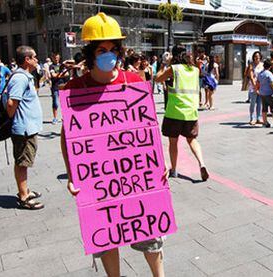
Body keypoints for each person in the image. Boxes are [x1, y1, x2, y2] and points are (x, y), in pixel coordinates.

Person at [61, 13, 165, 277]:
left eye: (113, 49)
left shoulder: (134, 83)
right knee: (107, 236)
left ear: (119, 52)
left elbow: (148, 130)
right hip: (99, 180)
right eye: (101, 49)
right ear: (90, 54)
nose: (108, 54)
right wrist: (72, 174)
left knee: (149, 234)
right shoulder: (75, 88)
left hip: (137, 177)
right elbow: (68, 136)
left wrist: (160, 165)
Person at [156, 44, 209, 181]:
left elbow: (157, 78)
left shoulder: (174, 69)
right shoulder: (195, 70)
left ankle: (174, 170)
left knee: (173, 142)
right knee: (192, 140)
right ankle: (201, 163)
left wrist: (164, 64)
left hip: (174, 112)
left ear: (173, 56)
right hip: (191, 112)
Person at [6, 46, 44, 209]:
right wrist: (15, 119)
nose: (37, 59)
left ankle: (25, 190)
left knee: (24, 160)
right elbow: (11, 103)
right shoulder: (20, 78)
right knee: (22, 162)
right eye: (34, 57)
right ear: (27, 59)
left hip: (27, 127)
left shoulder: (26, 76)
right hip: (23, 129)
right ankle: (24, 197)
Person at [256, 59, 273, 128]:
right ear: (270, 66)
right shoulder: (269, 74)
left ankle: (265, 122)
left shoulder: (260, 73)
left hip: (262, 93)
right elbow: (272, 84)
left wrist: (257, 90)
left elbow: (257, 83)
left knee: (264, 109)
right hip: (270, 93)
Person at [49, 53, 69, 124]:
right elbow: (53, 75)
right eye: (54, 57)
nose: (56, 59)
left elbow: (67, 74)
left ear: (59, 57)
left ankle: (65, 117)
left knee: (64, 103)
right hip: (55, 87)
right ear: (52, 58)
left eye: (57, 57)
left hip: (63, 86)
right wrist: (61, 74)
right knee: (55, 103)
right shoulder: (51, 66)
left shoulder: (62, 66)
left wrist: (58, 75)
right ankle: (55, 118)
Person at [248, 51, 264, 125]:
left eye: (258, 56)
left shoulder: (262, 65)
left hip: (261, 86)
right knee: (253, 103)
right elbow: (251, 77)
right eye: (255, 56)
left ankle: (258, 118)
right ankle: (252, 118)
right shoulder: (251, 65)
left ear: (260, 57)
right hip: (253, 86)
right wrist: (255, 87)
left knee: (260, 103)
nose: (257, 57)